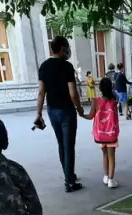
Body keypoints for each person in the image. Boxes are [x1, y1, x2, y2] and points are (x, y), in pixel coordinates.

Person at [35, 35, 84, 192]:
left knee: (61, 144)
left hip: (52, 110)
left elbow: (41, 92)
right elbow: (73, 93)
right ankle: (69, 182)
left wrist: (39, 114)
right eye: (67, 47)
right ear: (63, 49)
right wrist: (79, 108)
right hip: (66, 111)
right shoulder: (66, 67)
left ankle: (68, 174)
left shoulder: (44, 66)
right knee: (69, 145)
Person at [80, 77, 119, 188]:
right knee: (112, 156)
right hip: (111, 134)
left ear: (100, 89)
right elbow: (115, 119)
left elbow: (91, 116)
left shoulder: (96, 101)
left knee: (105, 154)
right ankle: (111, 180)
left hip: (101, 134)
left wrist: (82, 114)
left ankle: (106, 176)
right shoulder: (113, 102)